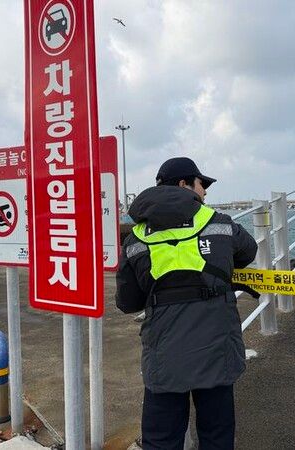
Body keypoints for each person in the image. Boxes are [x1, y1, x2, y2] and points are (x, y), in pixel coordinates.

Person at [116, 157, 258, 450]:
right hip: (217, 349)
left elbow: (128, 302)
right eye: (201, 184)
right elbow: (248, 252)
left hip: (165, 355)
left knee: (161, 440)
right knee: (217, 436)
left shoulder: (136, 237)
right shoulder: (217, 221)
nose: (204, 191)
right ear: (184, 184)